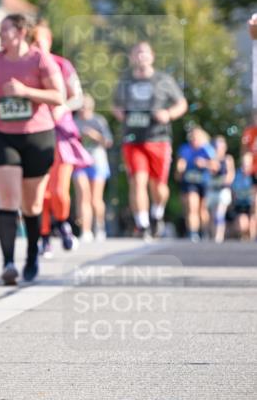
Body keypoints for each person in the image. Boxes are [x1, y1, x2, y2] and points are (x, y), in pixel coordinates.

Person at [0, 14, 64, 284]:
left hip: (37, 136)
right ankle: (8, 263)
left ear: (20, 32)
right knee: (8, 198)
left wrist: (25, 91)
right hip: (2, 136)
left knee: (33, 204)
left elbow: (58, 96)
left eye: (4, 30)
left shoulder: (39, 59)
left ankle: (31, 255)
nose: (0, 35)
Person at [113, 41, 188, 239]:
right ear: (131, 57)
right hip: (133, 139)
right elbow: (116, 105)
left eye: (144, 53)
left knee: (159, 187)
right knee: (138, 181)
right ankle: (142, 223)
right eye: (136, 53)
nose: (141, 56)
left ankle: (157, 213)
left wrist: (169, 114)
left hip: (158, 138)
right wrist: (121, 114)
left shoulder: (163, 80)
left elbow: (182, 103)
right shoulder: (125, 82)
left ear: (152, 56)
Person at [32, 18, 91, 254]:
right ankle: (44, 235)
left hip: (61, 133)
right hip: (36, 131)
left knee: (59, 191)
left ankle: (63, 222)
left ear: (48, 41)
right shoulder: (25, 67)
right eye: (31, 42)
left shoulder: (62, 64)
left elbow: (78, 96)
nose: (35, 47)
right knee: (41, 192)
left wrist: (62, 107)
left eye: (39, 41)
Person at [73, 94, 113, 241]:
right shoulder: (74, 121)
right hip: (79, 162)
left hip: (97, 161)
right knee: (83, 196)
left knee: (96, 198)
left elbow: (108, 142)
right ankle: (85, 230)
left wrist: (95, 135)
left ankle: (100, 226)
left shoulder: (98, 120)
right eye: (80, 107)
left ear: (91, 107)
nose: (82, 110)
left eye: (85, 106)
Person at [175, 126, 218, 241]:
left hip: (203, 182)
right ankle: (193, 232)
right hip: (189, 182)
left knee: (202, 209)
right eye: (191, 137)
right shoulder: (185, 148)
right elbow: (180, 163)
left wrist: (204, 164)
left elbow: (215, 167)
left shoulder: (207, 149)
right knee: (191, 206)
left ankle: (204, 231)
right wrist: (180, 168)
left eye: (196, 137)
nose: (193, 139)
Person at [206, 135, 235, 243]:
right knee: (213, 215)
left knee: (219, 213)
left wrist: (225, 181)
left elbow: (230, 174)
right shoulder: (212, 159)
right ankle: (214, 236)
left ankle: (219, 236)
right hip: (213, 190)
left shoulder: (227, 159)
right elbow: (211, 170)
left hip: (223, 190)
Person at [230, 152, 255, 241]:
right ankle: (243, 236)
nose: (245, 167)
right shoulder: (237, 175)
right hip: (240, 205)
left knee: (253, 216)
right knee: (241, 224)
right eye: (244, 164)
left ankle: (253, 238)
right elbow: (233, 190)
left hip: (251, 205)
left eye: (248, 164)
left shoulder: (253, 176)